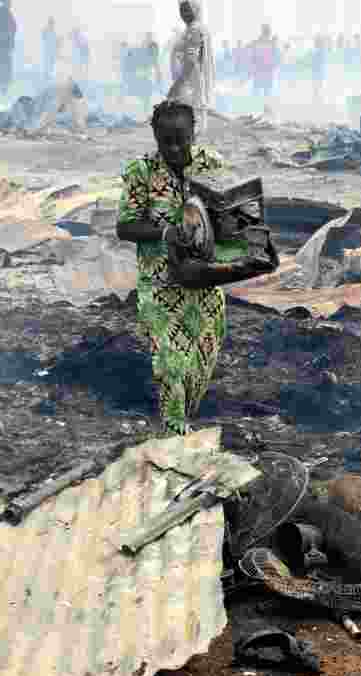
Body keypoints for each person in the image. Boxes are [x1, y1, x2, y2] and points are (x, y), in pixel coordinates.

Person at [115, 100, 231, 435]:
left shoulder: (212, 165)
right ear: (155, 137)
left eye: (181, 139)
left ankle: (184, 418)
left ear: (194, 133)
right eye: (166, 141)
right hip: (161, 286)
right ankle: (174, 430)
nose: (175, 148)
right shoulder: (141, 172)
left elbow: (226, 215)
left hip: (206, 284)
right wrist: (166, 233)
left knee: (199, 364)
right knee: (169, 363)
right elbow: (125, 226)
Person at [169, 0, 217, 135]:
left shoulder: (194, 30)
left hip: (193, 81)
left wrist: (177, 84)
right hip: (194, 83)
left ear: (195, 10)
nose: (183, 14)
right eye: (181, 10)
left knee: (194, 122)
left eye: (187, 10)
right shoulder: (194, 28)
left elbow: (191, 60)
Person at [250, 24, 278, 100]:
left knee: (260, 90)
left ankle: (259, 103)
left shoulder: (258, 42)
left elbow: (253, 56)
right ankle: (262, 103)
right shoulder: (270, 43)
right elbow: (274, 56)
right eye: (267, 31)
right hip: (264, 70)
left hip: (261, 70)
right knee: (264, 90)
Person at [312, 34, 329, 104]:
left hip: (319, 73)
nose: (315, 43)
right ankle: (318, 100)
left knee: (318, 88)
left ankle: (318, 100)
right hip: (318, 72)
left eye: (316, 42)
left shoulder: (320, 51)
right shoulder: (320, 51)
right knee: (317, 88)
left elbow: (319, 62)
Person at [42, 18, 58, 83]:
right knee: (48, 62)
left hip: (51, 49)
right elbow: (44, 37)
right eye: (51, 23)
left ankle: (49, 75)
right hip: (48, 48)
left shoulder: (52, 30)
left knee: (51, 62)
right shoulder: (46, 30)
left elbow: (55, 40)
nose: (52, 24)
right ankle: (47, 74)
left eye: (52, 23)